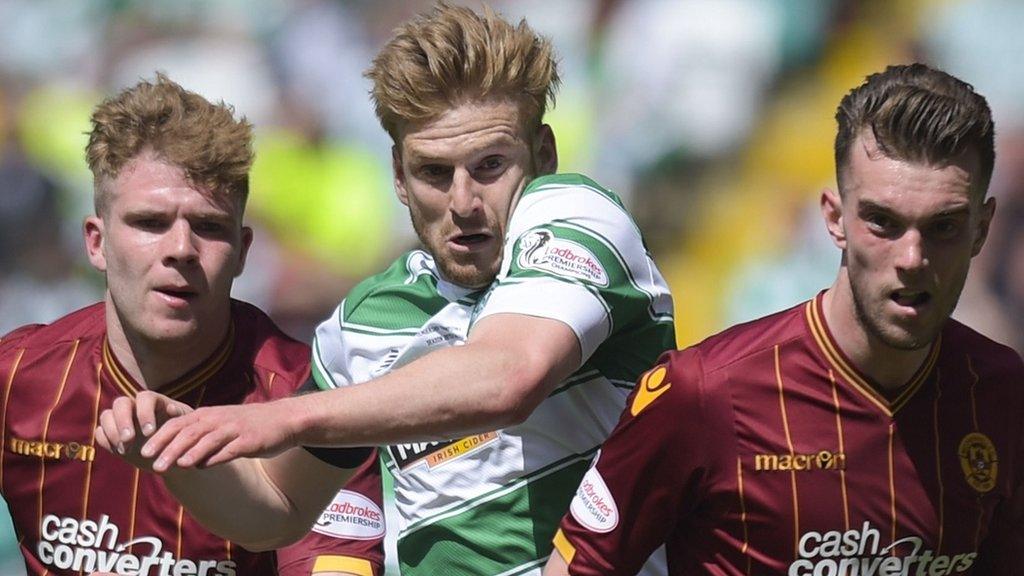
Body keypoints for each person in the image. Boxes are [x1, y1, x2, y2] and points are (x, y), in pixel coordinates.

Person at [95, 4, 675, 575]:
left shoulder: (580, 217)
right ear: (398, 177)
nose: (465, 202)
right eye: (434, 173)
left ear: (543, 155)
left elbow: (509, 377)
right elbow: (277, 512)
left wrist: (284, 419)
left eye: (491, 165)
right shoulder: (366, 318)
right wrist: (173, 453)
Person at [543, 63, 1024, 575]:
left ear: (982, 229)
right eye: (882, 222)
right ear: (835, 220)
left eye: (943, 227)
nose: (912, 257)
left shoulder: (1002, 394)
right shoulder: (702, 394)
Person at [0, 74, 373, 576]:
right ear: (96, 242)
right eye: (150, 223)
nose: (181, 249)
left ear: (243, 251)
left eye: (208, 227)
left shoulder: (319, 407)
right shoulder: (18, 377)